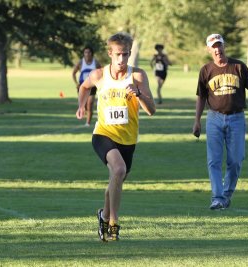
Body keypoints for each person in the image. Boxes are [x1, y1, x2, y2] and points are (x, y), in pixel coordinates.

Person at [76, 32, 156, 241]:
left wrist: (139, 94)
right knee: (118, 169)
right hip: (103, 134)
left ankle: (103, 215)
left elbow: (151, 110)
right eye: (118, 55)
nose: (122, 60)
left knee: (116, 179)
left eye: (126, 55)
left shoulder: (137, 76)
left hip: (128, 140)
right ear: (110, 53)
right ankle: (113, 222)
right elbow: (84, 87)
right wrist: (81, 105)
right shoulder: (99, 75)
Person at [192, 34, 248, 210]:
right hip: (214, 118)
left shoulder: (238, 66)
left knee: (236, 160)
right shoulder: (206, 70)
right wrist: (197, 121)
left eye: (219, 45)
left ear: (224, 46)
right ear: (209, 50)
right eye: (213, 47)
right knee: (213, 160)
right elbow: (201, 97)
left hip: (237, 118)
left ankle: (226, 195)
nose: (217, 49)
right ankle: (217, 197)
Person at [72, 46, 101, 126]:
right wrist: (76, 83)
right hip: (83, 86)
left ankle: (87, 123)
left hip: (92, 86)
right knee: (83, 105)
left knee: (90, 104)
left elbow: (102, 72)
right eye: (85, 52)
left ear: (92, 53)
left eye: (89, 52)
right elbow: (73, 73)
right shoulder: (81, 63)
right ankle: (84, 116)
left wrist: (99, 83)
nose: (87, 54)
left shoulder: (96, 63)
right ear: (83, 54)